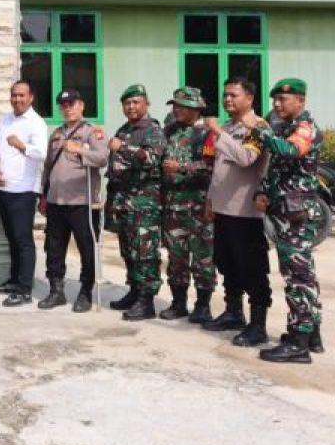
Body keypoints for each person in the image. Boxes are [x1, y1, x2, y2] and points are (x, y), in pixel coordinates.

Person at [255, 78, 325, 364]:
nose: (277, 105)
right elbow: (277, 168)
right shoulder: (285, 129)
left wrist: (262, 132)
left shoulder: (306, 129)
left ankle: (299, 343)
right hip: (285, 211)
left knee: (298, 278)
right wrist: (263, 190)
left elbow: (290, 151)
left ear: (301, 101)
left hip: (296, 215)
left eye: (283, 99)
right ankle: (312, 333)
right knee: (302, 274)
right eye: (275, 100)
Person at [203, 77, 272, 340]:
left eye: (234, 95)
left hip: (245, 211)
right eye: (225, 95)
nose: (227, 99)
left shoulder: (258, 127)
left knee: (252, 268)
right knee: (227, 263)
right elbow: (218, 170)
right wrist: (211, 199)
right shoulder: (229, 126)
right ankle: (233, 312)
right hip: (223, 208)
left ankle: (258, 325)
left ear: (250, 99)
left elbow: (245, 158)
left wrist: (218, 133)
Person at [39, 89, 107, 312]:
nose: (67, 108)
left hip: (82, 201)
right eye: (63, 104)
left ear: (82, 106)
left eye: (72, 103)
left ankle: (85, 292)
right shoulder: (56, 134)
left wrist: (80, 150)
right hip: (56, 201)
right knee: (54, 248)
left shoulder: (92, 132)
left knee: (87, 248)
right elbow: (48, 166)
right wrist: (43, 195)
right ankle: (56, 290)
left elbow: (102, 158)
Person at [104, 84, 166, 321]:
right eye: (127, 103)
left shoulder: (153, 130)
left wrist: (124, 148)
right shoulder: (124, 129)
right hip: (123, 201)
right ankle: (134, 291)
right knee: (129, 251)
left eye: (136, 102)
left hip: (144, 202)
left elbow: (151, 158)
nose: (131, 107)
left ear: (146, 104)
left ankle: (147, 300)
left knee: (145, 252)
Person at [159, 87, 215, 321]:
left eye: (182, 106)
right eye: (175, 105)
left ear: (196, 108)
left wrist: (182, 168)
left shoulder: (207, 134)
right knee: (176, 257)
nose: (176, 109)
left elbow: (212, 166)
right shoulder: (169, 132)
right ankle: (178, 303)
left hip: (199, 206)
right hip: (173, 206)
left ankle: (203, 305)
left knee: (203, 258)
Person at [0, 80, 48, 307]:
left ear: (31, 97)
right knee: (12, 239)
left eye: (22, 95)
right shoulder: (5, 120)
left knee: (23, 240)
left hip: (24, 190)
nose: (17, 99)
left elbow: (41, 153)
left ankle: (25, 289)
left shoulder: (36, 123)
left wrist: (22, 145)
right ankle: (15, 280)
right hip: (4, 187)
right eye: (14, 95)